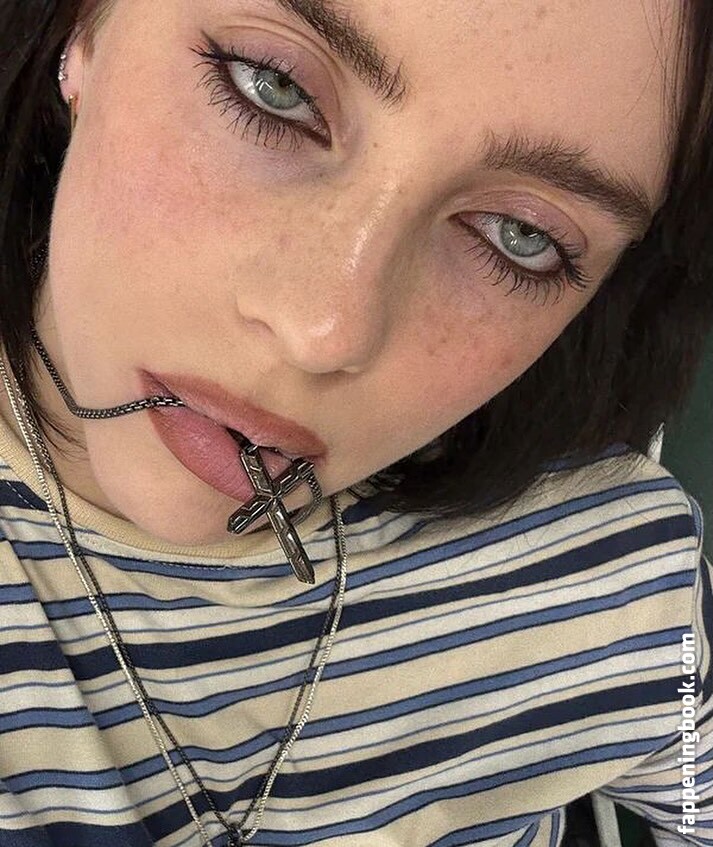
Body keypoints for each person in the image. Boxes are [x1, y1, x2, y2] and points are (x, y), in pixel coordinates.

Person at [0, 0, 711, 845]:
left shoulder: (618, 586)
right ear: (85, 27)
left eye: (519, 235)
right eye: (272, 87)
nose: (324, 331)